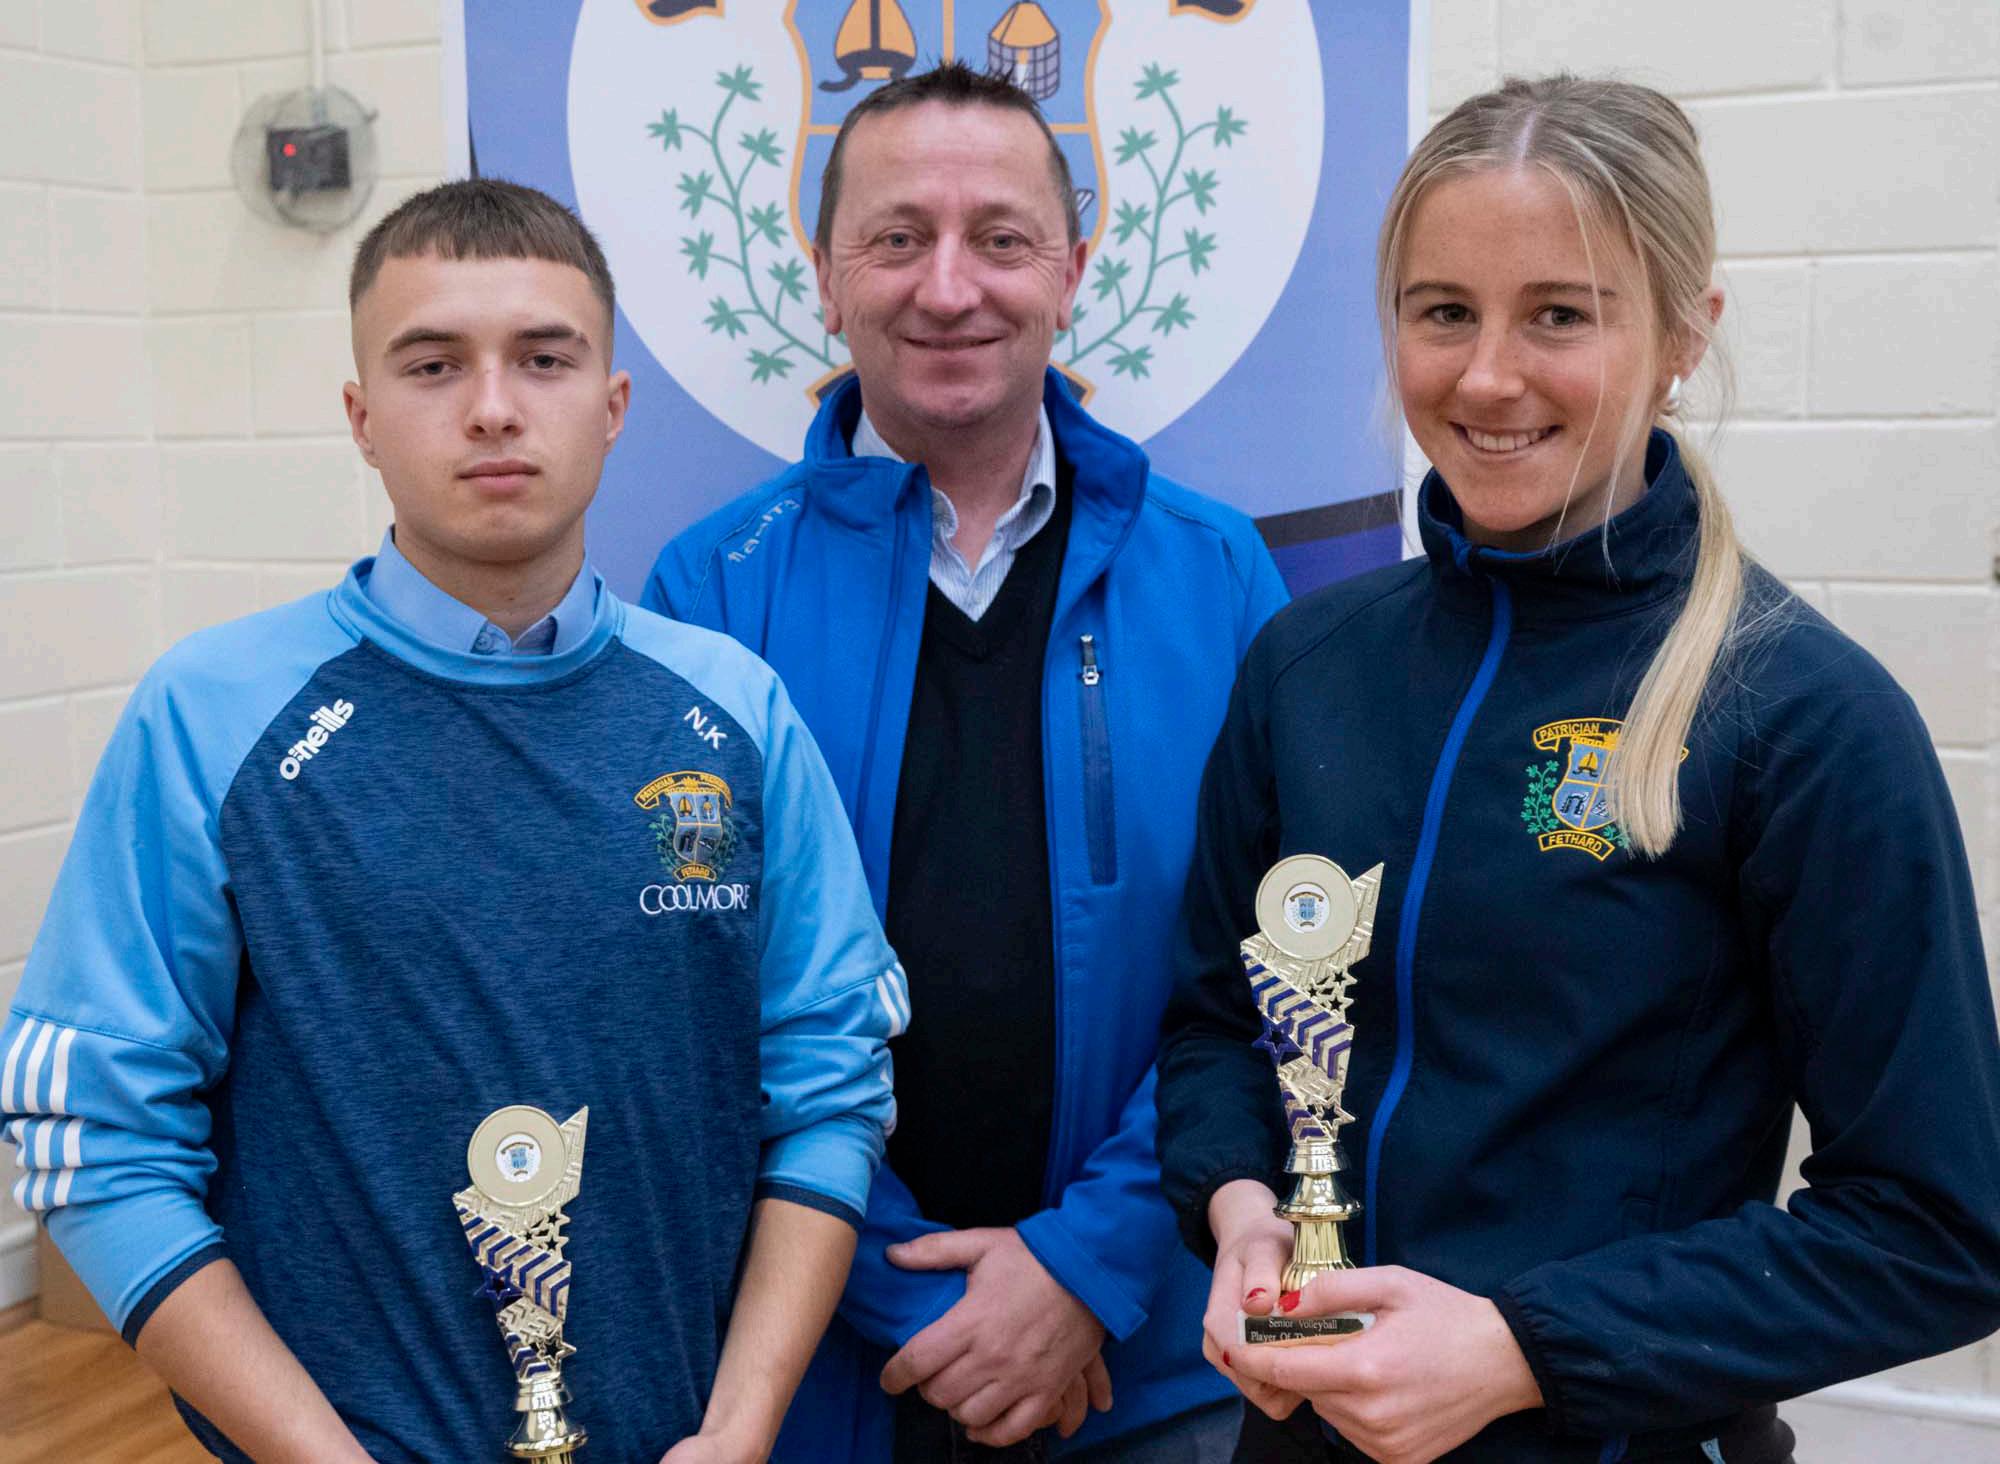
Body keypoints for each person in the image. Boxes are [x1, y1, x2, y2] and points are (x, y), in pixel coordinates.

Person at [1155, 75, 2000, 1464]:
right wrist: (1241, 1207)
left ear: (1682, 334)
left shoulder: (1801, 716)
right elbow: (1216, 1022)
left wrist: (1521, 1351)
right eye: (1443, 312)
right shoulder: (1308, 665)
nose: (1488, 376)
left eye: (1559, 314)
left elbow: (1936, 1227)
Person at [0, 179, 906, 1464]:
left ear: (611, 407)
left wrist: (742, 1426)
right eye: (433, 365)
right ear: (362, 418)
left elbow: (829, 1081)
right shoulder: (209, 714)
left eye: (543, 358)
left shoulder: (734, 712)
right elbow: (95, 1135)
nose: (491, 406)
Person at [646, 60, 1288, 1463]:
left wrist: (1086, 1267)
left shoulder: (1222, 575)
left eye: (1000, 238)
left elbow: (1268, 970)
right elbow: (692, 998)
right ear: (824, 277)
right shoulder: (708, 595)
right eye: (896, 238)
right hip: (824, 1374)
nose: (948, 289)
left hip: (1151, 1364)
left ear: (1073, 270)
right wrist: (910, 1296)